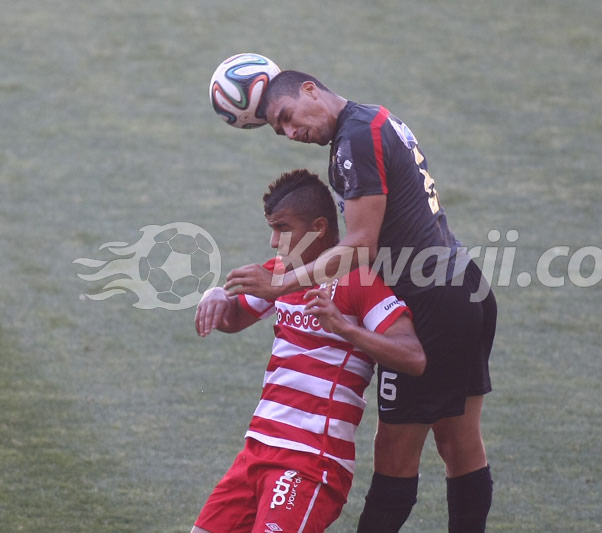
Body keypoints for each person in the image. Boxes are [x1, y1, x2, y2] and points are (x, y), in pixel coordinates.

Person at [224, 70, 497, 532]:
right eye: (280, 130)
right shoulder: (376, 119)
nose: (292, 133)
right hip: (464, 288)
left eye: (288, 117)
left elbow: (360, 247)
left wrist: (278, 285)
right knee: (459, 443)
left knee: (395, 454)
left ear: (311, 90)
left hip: (431, 303)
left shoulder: (353, 139)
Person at [191, 169, 425, 533]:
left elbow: (413, 356)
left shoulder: (358, 281)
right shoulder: (281, 277)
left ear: (318, 227)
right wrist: (215, 295)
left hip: (311, 461)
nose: (273, 241)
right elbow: (233, 318)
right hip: (256, 452)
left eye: (283, 228)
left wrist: (345, 328)